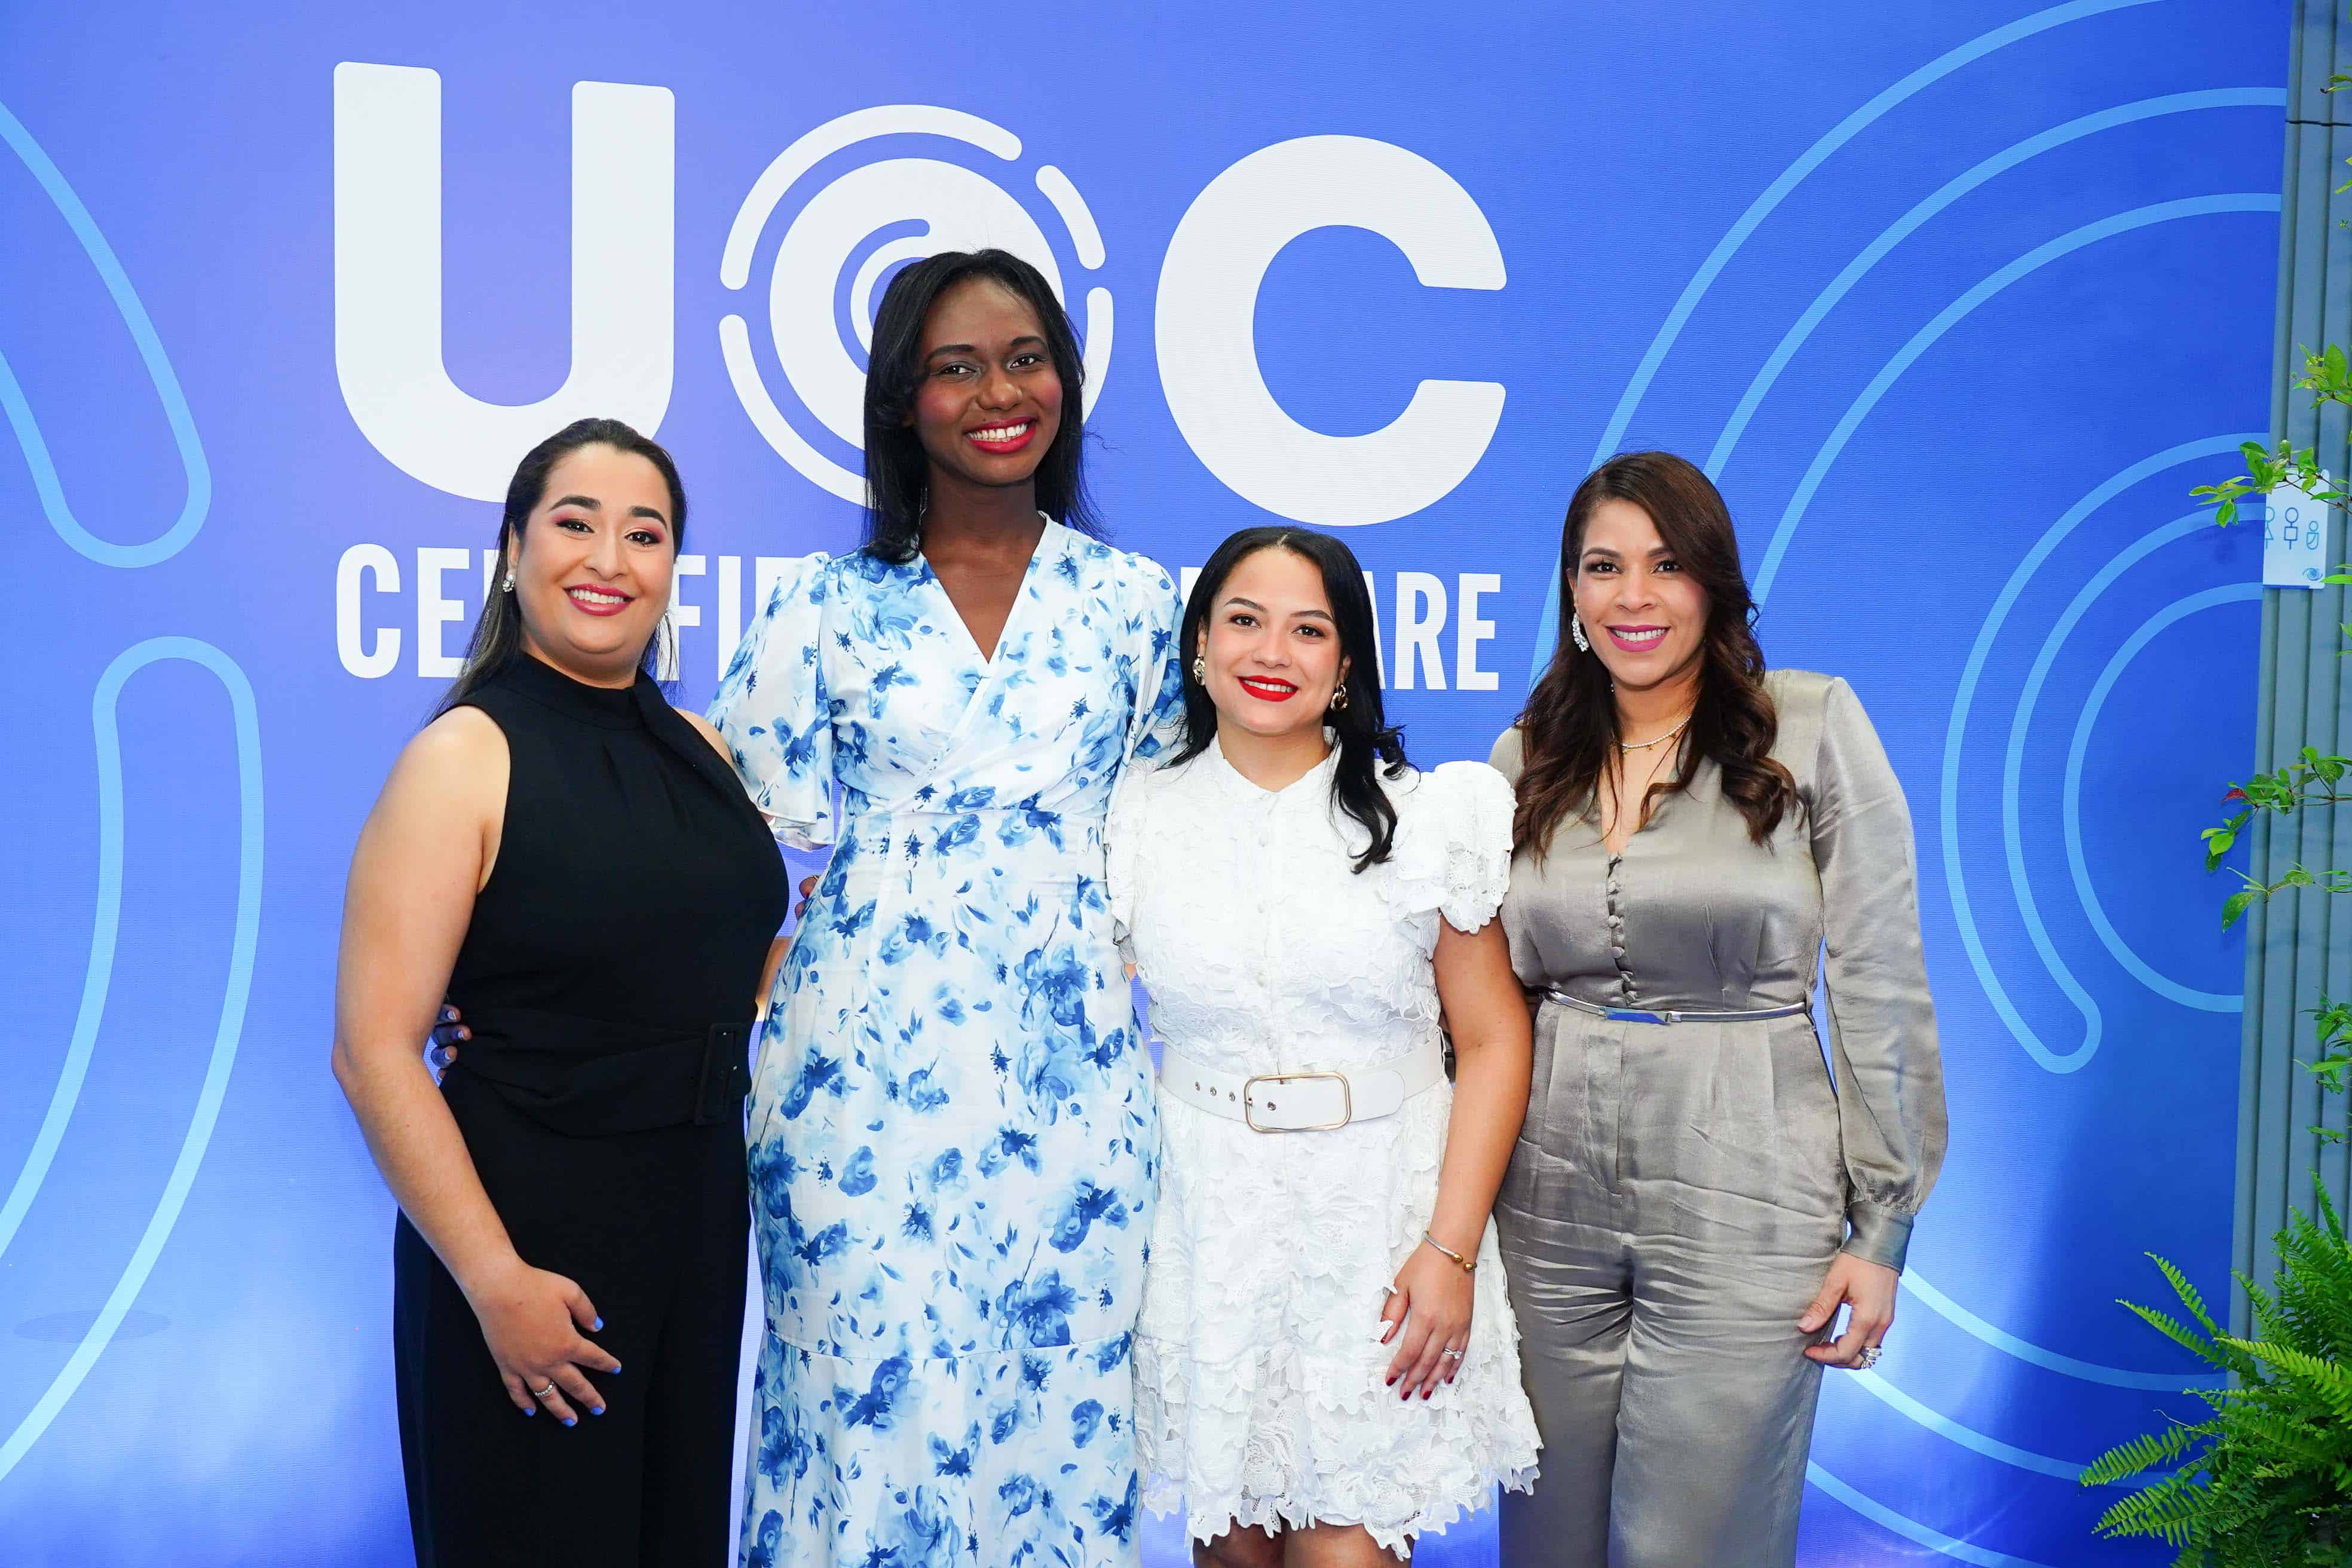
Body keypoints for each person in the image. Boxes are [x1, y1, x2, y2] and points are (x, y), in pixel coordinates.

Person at [712, 249, 1182, 1567]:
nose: (997, 392)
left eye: (1024, 358)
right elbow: (711, 850)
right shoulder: (821, 605)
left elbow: (1197, 841)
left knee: (1061, 1419)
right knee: (868, 1416)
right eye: (955, 367)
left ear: (1066, 382)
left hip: (1074, 1077)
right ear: (901, 403)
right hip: (855, 1080)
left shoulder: (1143, 606)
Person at [333, 418, 789, 1567]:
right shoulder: (467, 754)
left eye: (646, 533)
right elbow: (376, 1050)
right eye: (575, 523)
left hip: (691, 1232)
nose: (610, 559)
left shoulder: (701, 748)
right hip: (531, 1244)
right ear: (512, 547)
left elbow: (730, 969)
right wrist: (494, 1285)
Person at [1487, 450, 1947, 1566]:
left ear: (1716, 583)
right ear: (1571, 590)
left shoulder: (1814, 725)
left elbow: (1882, 976)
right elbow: (1486, 1007)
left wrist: (1883, 1225)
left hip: (1751, 1180)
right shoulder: (1523, 760)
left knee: (1701, 1536)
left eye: (1667, 565)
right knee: (1546, 1533)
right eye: (1603, 567)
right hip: (1545, 1203)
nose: (1633, 597)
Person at [1113, 526, 1541, 1566]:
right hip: (1203, 1229)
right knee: (1232, 1550)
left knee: (1344, 1548)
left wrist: (1447, 1249)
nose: (1272, 653)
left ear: (1347, 664)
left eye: (1309, 630)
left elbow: (1492, 1041)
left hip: (1380, 1232)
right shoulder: (1131, 815)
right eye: (1245, 621)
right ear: (1200, 645)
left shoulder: (1430, 815)